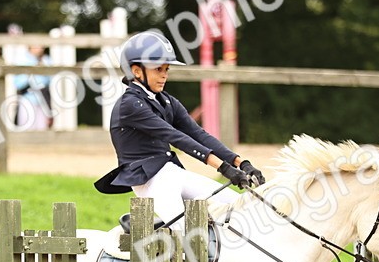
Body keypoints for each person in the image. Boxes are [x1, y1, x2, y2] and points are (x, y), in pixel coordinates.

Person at [94, 30, 265, 227]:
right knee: (188, 234)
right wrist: (223, 167)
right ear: (137, 71)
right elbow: (175, 137)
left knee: (236, 207)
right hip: (150, 181)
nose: (164, 76)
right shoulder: (130, 105)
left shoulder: (166, 101)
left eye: (166, 69)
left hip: (171, 172)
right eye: (158, 69)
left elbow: (198, 134)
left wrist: (241, 163)